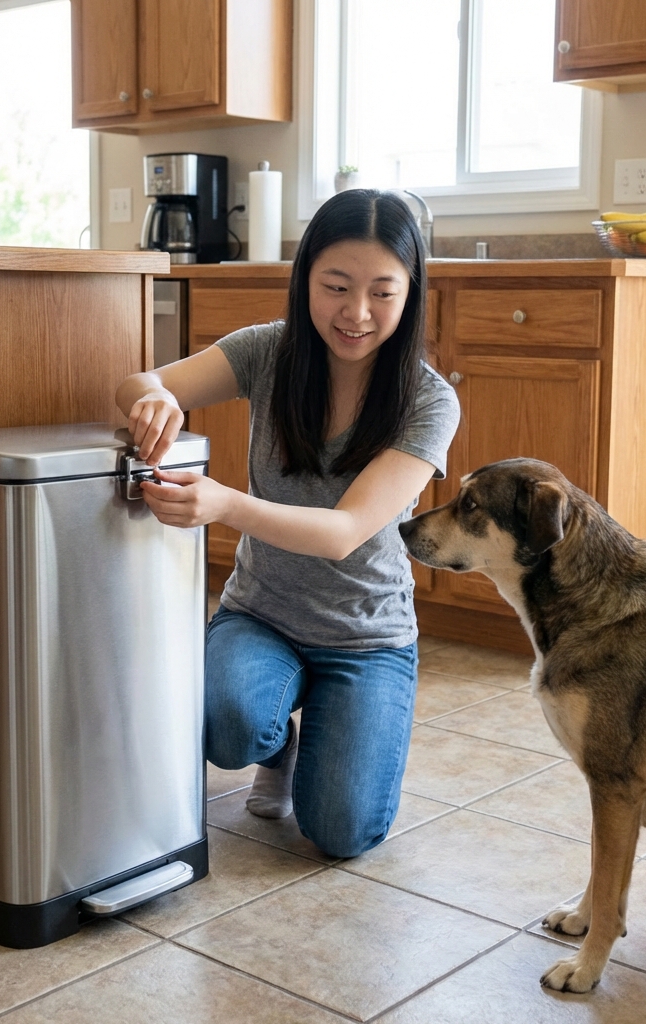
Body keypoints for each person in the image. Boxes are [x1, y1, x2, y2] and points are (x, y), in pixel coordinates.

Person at [115, 189, 460, 858]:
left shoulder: (428, 400)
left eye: (382, 293)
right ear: (305, 279)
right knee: (228, 726)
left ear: (411, 294)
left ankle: (324, 737)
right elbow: (139, 383)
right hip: (263, 613)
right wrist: (155, 401)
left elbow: (345, 531)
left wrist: (224, 506)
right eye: (336, 286)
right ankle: (280, 746)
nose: (356, 313)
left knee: (341, 833)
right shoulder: (268, 353)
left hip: (368, 639)